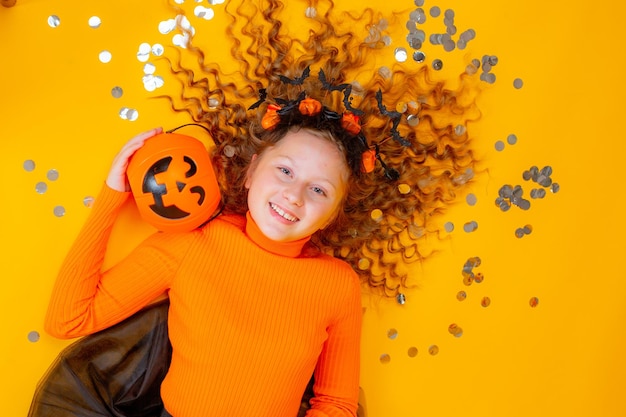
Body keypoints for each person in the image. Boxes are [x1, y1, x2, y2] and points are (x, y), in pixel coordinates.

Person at [40, 0, 481, 416]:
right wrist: (113, 193)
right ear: (251, 172)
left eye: (320, 190)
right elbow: (69, 318)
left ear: (335, 215)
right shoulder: (193, 245)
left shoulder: (336, 286)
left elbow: (336, 402)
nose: (294, 195)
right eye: (285, 171)